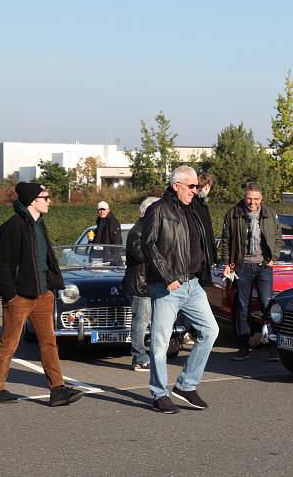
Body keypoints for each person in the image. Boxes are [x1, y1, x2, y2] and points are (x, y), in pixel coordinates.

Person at [0, 182, 84, 406]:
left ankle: (57, 389)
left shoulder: (40, 224)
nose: (49, 201)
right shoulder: (12, 226)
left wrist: (51, 286)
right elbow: (0, 264)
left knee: (49, 343)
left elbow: (46, 258)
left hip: (43, 294)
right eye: (46, 197)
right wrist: (11, 295)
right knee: (9, 344)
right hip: (20, 297)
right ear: (33, 201)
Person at [141, 166, 219, 414]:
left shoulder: (193, 209)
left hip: (192, 285)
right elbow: (148, 244)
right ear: (176, 186)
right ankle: (159, 394)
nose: (195, 190)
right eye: (191, 186)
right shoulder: (158, 209)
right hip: (168, 286)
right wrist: (167, 276)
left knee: (211, 330)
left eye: (197, 186)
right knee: (160, 343)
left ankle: (186, 385)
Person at [221, 181, 283, 361]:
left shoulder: (270, 213)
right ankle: (243, 347)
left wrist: (274, 258)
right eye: (249, 198)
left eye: (256, 199)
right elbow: (226, 240)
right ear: (244, 197)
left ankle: (273, 346)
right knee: (243, 307)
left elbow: (278, 237)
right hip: (243, 266)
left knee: (267, 306)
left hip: (264, 266)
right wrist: (227, 262)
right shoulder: (234, 214)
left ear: (261, 198)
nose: (252, 202)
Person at [179, 171, 217, 346]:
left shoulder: (199, 204)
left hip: (200, 261)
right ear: (207, 186)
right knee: (190, 297)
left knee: (194, 297)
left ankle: (190, 330)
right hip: (196, 262)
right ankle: (185, 331)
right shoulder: (195, 205)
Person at [123, 196, 160, 372]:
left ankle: (152, 355)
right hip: (140, 285)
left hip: (150, 283)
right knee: (140, 322)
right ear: (147, 212)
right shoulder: (137, 231)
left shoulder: (149, 230)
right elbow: (139, 255)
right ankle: (138, 358)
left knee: (153, 321)